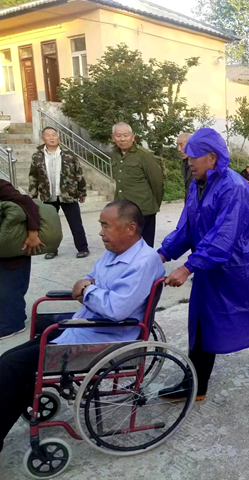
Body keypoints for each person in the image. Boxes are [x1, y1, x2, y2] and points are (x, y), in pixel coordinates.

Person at [0, 200, 165, 451]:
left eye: (106, 226)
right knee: (11, 361)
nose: (100, 232)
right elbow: (90, 278)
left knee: (12, 366)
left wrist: (87, 290)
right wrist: (88, 286)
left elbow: (116, 309)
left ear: (130, 228)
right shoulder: (114, 252)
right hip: (83, 327)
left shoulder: (144, 262)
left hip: (107, 338)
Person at [158, 128, 249, 400]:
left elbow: (223, 237)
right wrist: (162, 254)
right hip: (209, 266)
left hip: (239, 268)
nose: (189, 162)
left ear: (212, 157)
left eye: (194, 157)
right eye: (187, 157)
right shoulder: (197, 185)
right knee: (201, 320)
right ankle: (196, 384)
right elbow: (187, 228)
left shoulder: (234, 187)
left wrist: (187, 267)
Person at [28, 126, 89, 259]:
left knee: (76, 224)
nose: (52, 137)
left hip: (68, 195)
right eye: (48, 135)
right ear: (43, 138)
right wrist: (32, 196)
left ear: (58, 137)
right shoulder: (37, 156)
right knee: (50, 226)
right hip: (48, 196)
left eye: (54, 135)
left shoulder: (69, 154)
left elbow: (79, 174)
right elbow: (33, 177)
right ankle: (51, 249)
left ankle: (83, 248)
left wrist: (82, 192)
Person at [0, 180, 45, 340]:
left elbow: (27, 202)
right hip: (4, 246)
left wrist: (33, 233)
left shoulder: (1, 186)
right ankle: (15, 316)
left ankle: (12, 326)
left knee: (9, 288)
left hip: (12, 247)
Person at [110, 122, 164, 247]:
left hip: (143, 210)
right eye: (118, 135)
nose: (122, 139)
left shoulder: (143, 155)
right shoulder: (114, 154)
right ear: (113, 137)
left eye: (126, 135)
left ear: (133, 137)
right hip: (123, 211)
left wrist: (152, 206)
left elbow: (157, 183)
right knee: (126, 246)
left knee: (144, 246)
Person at [177, 132, 193, 201]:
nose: (179, 149)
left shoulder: (200, 163)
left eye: (181, 145)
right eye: (177, 145)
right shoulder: (185, 163)